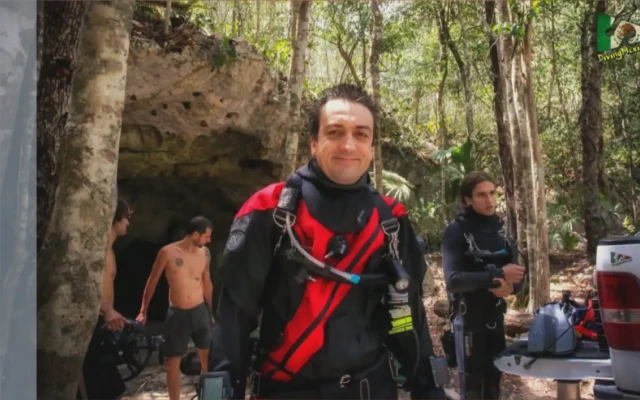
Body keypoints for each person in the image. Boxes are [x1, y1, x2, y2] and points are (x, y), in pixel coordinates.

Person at [208, 83, 446, 400]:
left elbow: (408, 316)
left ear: (371, 146)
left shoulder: (391, 221)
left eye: (361, 134)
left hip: (371, 389)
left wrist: (429, 387)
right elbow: (233, 317)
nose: (348, 144)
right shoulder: (269, 210)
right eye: (335, 132)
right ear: (313, 142)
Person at [440, 171, 526, 400]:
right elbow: (453, 281)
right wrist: (497, 274)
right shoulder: (456, 231)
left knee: (493, 384)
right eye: (481, 195)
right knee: (472, 387)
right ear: (468, 199)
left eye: (492, 193)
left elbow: (517, 275)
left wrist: (512, 289)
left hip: (495, 320)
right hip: (468, 321)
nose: (489, 200)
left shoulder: (500, 232)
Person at [136, 216, 215, 400]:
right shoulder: (168, 252)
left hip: (200, 311)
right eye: (207, 236)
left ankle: (209, 397)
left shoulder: (205, 253)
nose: (209, 240)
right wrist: (143, 310)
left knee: (208, 358)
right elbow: (152, 281)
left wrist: (212, 312)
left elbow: (207, 282)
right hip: (177, 313)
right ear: (195, 234)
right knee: (172, 362)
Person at [81, 197, 132, 400]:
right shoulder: (98, 250)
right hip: (90, 325)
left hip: (102, 324)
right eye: (126, 217)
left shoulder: (110, 250)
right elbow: (85, 287)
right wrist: (107, 310)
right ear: (115, 218)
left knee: (112, 388)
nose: (128, 222)